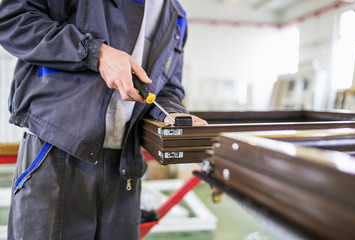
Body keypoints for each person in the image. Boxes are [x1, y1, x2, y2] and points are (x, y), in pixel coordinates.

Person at [0, 0, 207, 239]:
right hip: (56, 153)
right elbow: (12, 19)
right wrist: (96, 53)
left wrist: (172, 113)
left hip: (124, 168)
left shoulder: (175, 16)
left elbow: (167, 88)